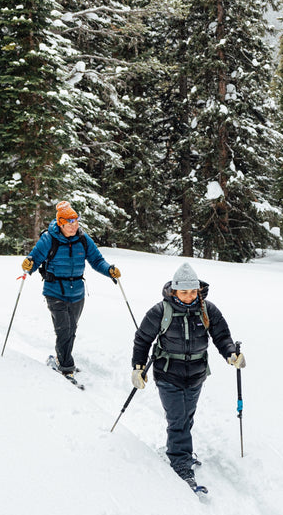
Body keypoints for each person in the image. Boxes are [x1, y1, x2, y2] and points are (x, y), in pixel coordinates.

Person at [130, 262, 245, 490]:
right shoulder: (160, 311)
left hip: (196, 373)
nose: (189, 296)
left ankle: (177, 450)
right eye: (184, 292)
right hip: (167, 373)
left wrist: (231, 353)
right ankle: (181, 464)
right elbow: (142, 339)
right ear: (174, 291)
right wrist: (137, 367)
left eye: (194, 291)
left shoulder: (207, 309)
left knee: (186, 418)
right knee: (178, 420)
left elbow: (221, 335)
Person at [22, 201, 120, 385]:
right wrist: (28, 265)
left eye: (76, 222)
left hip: (77, 293)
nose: (74, 226)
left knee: (71, 329)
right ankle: (66, 367)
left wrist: (109, 270)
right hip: (54, 291)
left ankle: (61, 358)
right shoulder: (48, 239)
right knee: (64, 330)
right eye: (69, 223)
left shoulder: (83, 239)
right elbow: (34, 260)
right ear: (60, 223)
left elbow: (97, 260)